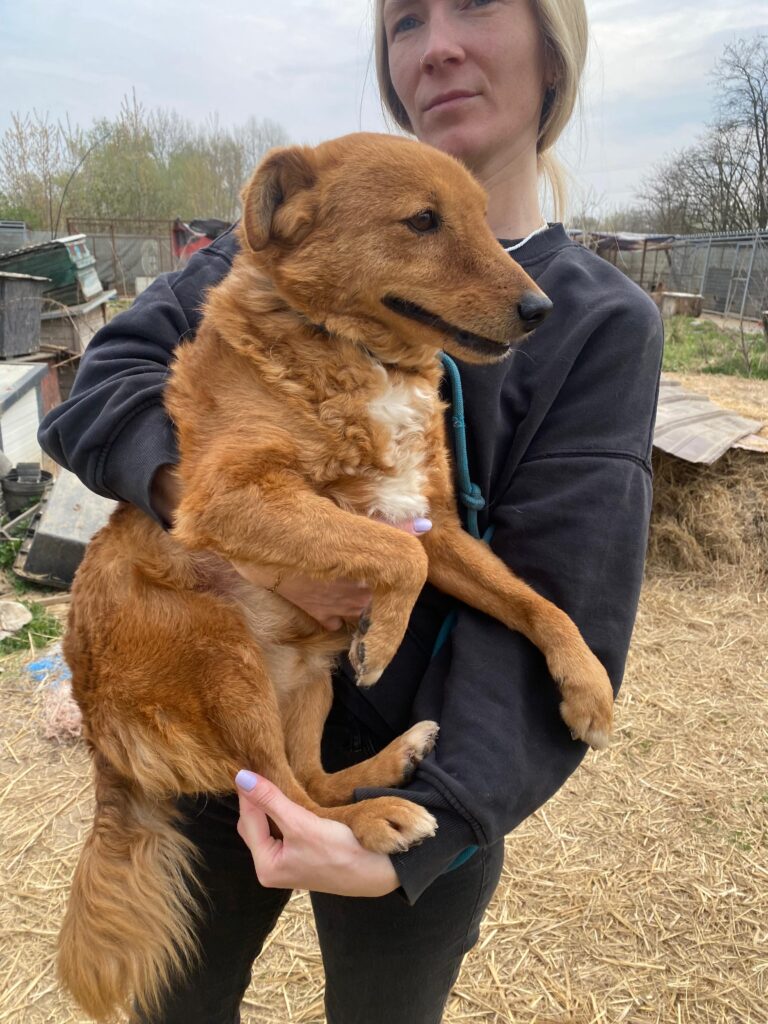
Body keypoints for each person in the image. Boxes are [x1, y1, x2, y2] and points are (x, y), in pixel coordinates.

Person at [38, 1, 663, 1021]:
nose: (439, 45)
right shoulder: (271, 251)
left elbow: (566, 566)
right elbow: (101, 388)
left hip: (428, 773)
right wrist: (224, 515)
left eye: (474, 4)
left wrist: (453, 801)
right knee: (173, 1005)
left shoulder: (600, 323)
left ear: (555, 49)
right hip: (218, 724)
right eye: (406, 20)